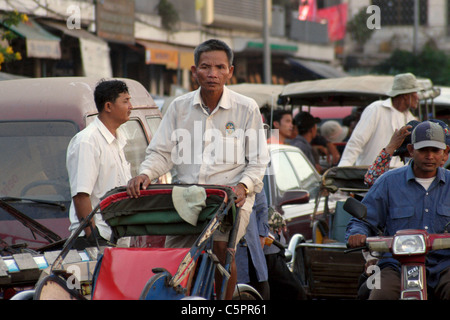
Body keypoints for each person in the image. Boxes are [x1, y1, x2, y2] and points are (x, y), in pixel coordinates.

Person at [126, 39, 269, 300]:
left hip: (230, 198)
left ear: (230, 72)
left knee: (223, 252)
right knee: (175, 258)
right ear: (194, 71)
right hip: (187, 196)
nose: (212, 73)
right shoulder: (178, 107)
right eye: (205, 67)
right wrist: (146, 174)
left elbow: (259, 160)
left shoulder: (246, 108)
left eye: (219, 67)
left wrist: (243, 186)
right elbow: (161, 152)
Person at [346, 120, 450, 300]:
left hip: (444, 265)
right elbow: (362, 220)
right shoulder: (388, 182)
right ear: (410, 150)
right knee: (380, 295)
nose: (430, 156)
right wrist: (357, 234)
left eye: (435, 150)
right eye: (424, 150)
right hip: (396, 265)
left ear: (445, 153)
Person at [66, 79, 133, 250]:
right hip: (96, 241)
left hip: (115, 240)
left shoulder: (118, 139)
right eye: (125, 101)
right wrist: (92, 235)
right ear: (108, 106)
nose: (130, 106)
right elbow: (81, 194)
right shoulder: (87, 141)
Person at [339, 73, 421, 168]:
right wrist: (343, 169)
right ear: (406, 95)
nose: (418, 98)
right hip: (369, 173)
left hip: (397, 175)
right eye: (415, 93)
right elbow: (357, 141)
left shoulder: (411, 119)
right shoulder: (376, 109)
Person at [236, 190, 270, 300]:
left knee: (261, 291)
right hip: (228, 249)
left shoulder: (251, 176)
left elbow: (262, 207)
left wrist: (261, 234)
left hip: (251, 245)